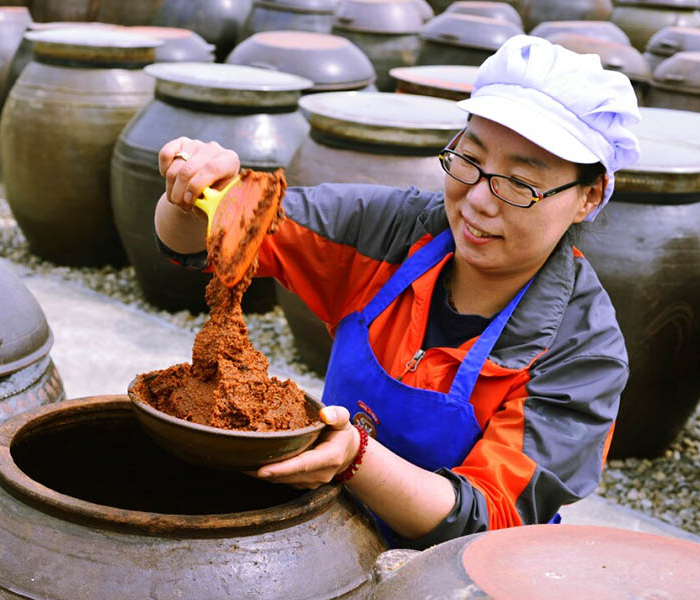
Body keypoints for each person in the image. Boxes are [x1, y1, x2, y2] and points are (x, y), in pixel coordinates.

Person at [153, 35, 641, 548]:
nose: (478, 200)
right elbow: (210, 238)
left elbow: (492, 518)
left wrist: (355, 458)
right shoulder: (387, 232)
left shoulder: (583, 352)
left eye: (519, 183)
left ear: (588, 197)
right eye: (469, 160)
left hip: (452, 572)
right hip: (323, 538)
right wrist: (191, 186)